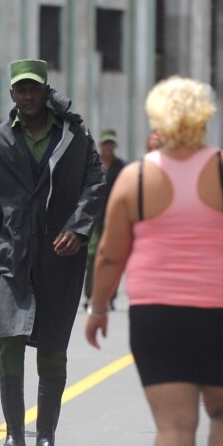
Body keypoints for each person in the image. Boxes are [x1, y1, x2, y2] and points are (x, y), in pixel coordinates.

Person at [84, 76, 223, 446]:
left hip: (156, 318)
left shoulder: (135, 178)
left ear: (156, 120)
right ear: (206, 118)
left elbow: (111, 255)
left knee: (174, 428)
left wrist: (98, 308)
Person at [0, 58, 105, 446]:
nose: (27, 96)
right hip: (10, 255)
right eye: (20, 90)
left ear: (45, 90)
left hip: (60, 255)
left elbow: (96, 183)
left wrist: (79, 227)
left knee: (53, 346)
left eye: (34, 89)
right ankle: (15, 437)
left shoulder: (73, 136)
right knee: (8, 340)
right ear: (12, 95)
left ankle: (46, 439)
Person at [83, 129, 126, 310]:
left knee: (112, 256)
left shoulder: (121, 167)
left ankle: (110, 296)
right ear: (100, 145)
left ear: (115, 145)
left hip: (114, 218)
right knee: (92, 255)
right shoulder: (93, 163)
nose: (108, 147)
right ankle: (90, 295)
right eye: (105, 143)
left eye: (111, 143)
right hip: (94, 216)